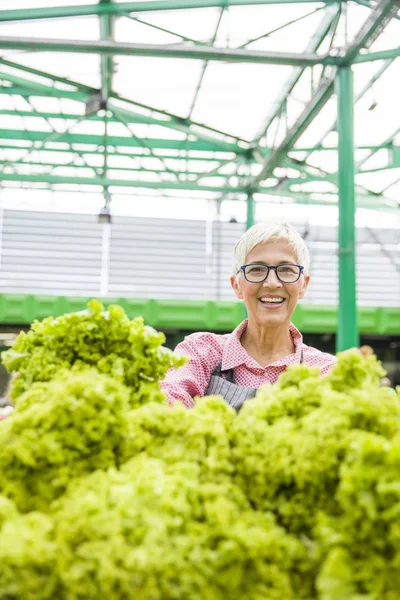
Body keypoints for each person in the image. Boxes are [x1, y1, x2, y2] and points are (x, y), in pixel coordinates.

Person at [161, 221, 336, 410]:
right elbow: (169, 406)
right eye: (256, 270)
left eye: (286, 270)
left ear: (303, 286)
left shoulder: (326, 371)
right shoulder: (201, 353)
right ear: (236, 285)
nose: (272, 283)